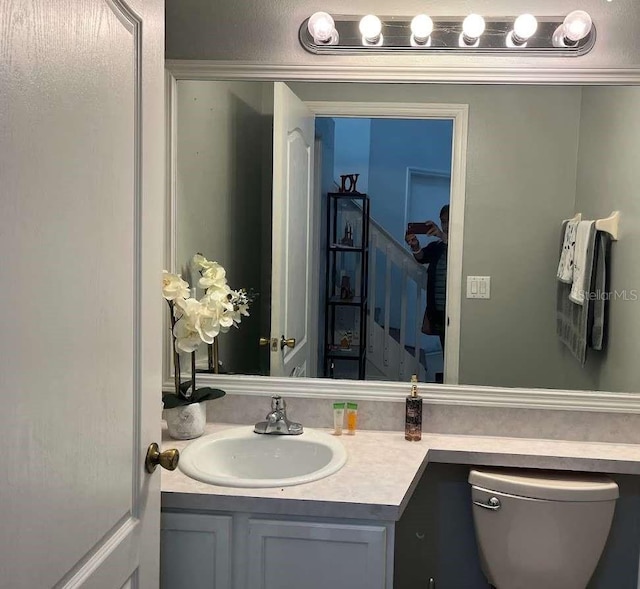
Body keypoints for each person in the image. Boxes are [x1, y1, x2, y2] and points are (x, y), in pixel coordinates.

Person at [404, 204, 449, 353]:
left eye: (449, 220)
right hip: (438, 310)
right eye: (443, 221)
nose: (446, 225)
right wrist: (415, 245)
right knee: (447, 354)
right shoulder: (437, 246)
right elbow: (421, 257)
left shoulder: (464, 245)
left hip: (457, 312)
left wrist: (443, 237)